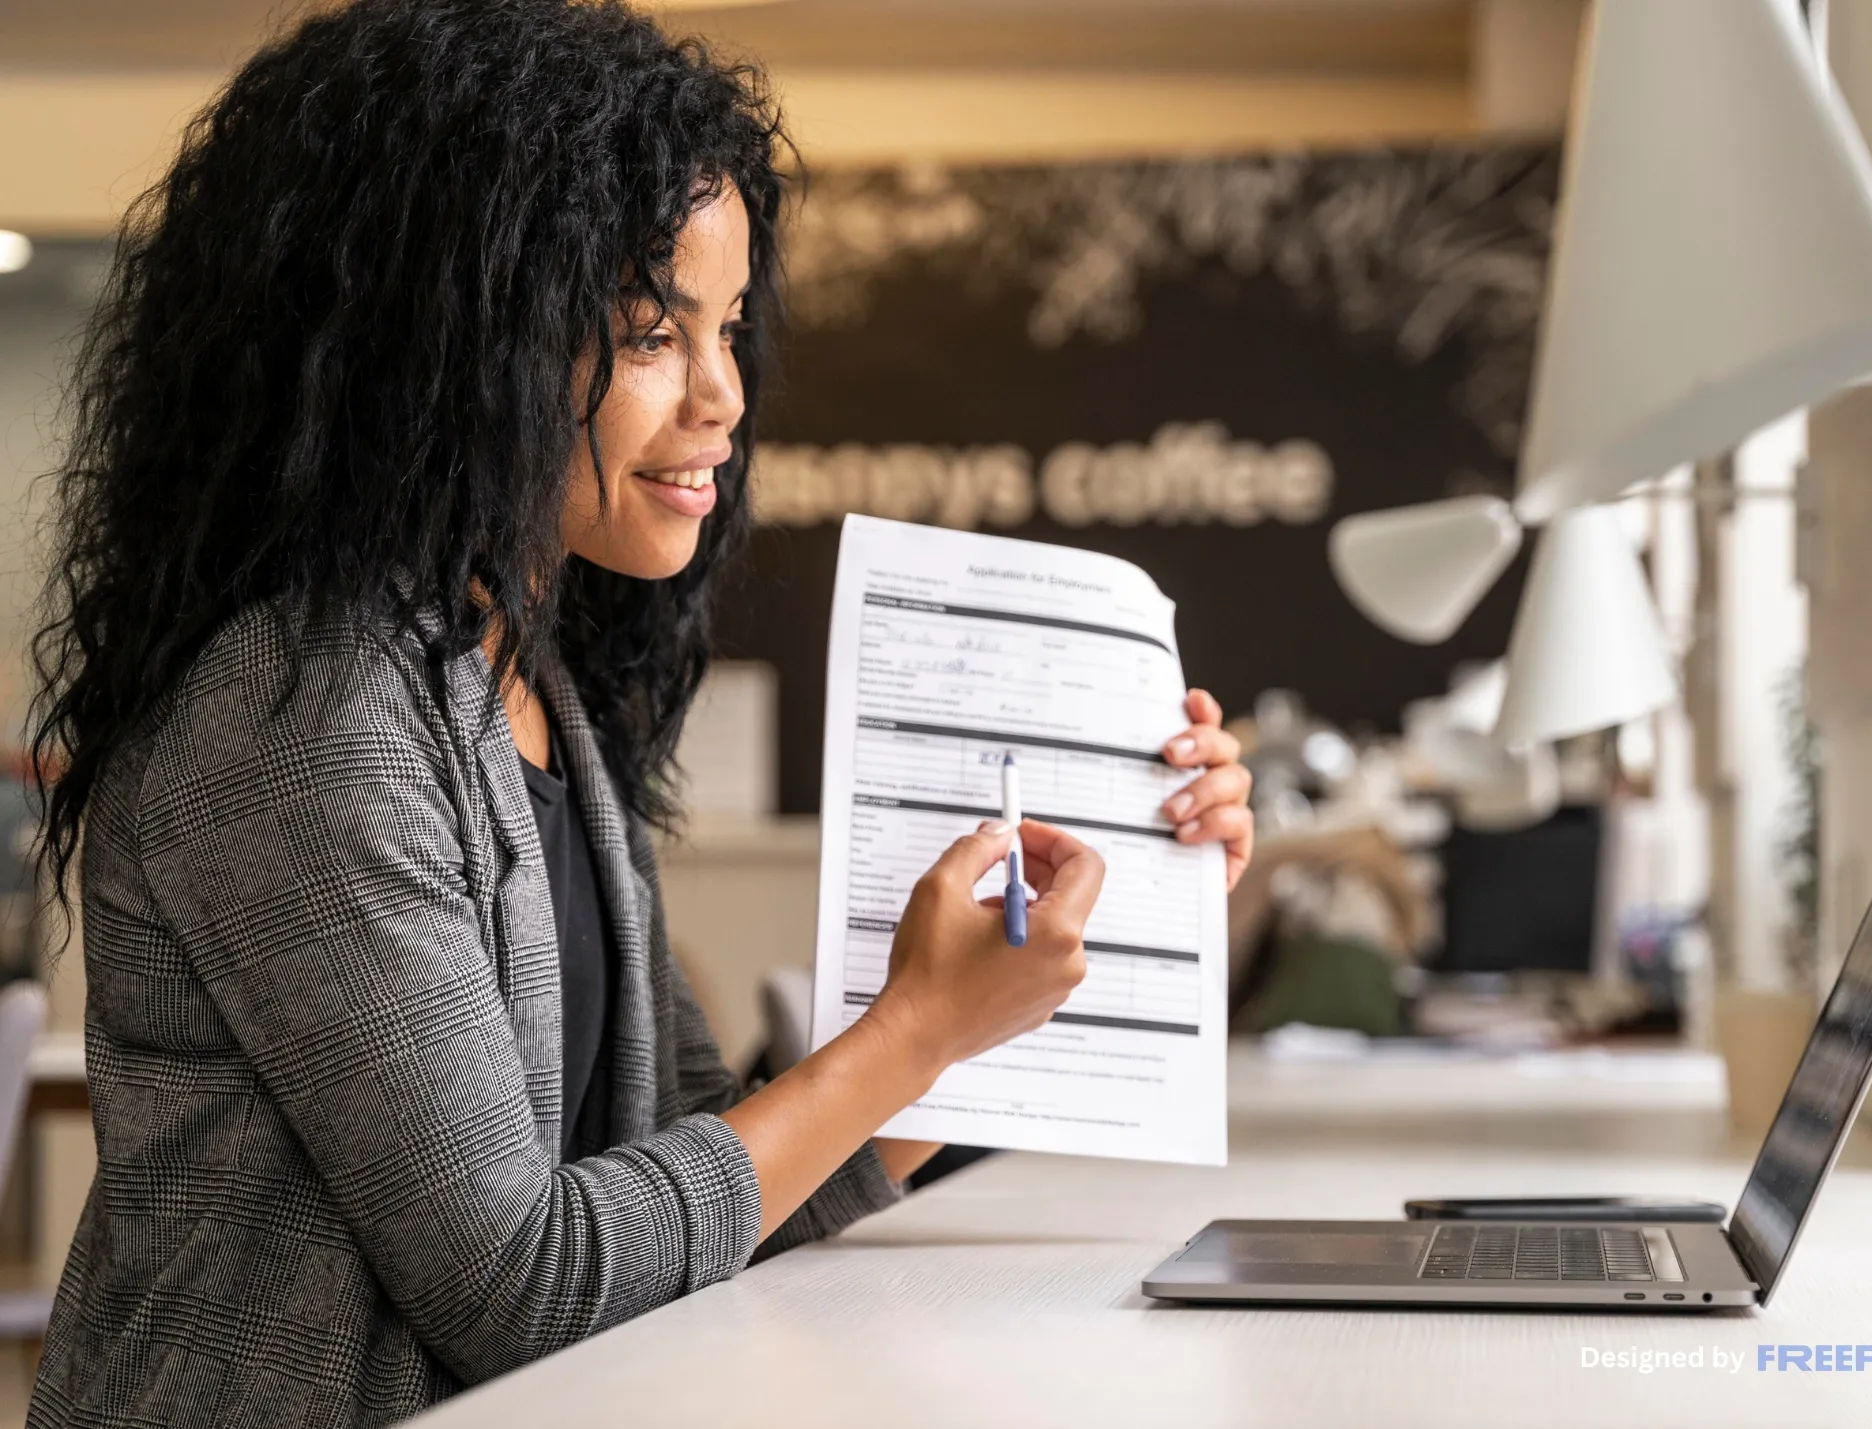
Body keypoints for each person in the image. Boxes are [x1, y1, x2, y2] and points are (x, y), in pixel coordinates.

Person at [23, 2, 1255, 1425]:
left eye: (726, 329)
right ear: (440, 341)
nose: (725, 397)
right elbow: (528, 1286)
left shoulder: (527, 686)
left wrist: (1089, 923)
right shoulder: (307, 718)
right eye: (647, 332)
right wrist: (908, 1032)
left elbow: (711, 1188)